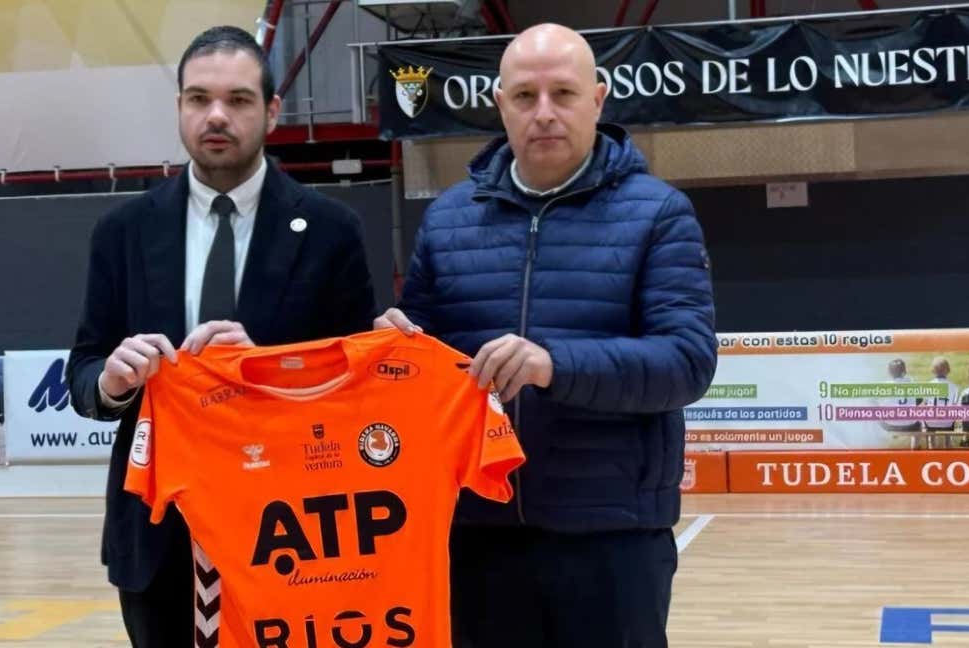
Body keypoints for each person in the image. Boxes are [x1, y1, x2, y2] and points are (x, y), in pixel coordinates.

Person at [376, 22, 717, 648]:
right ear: (500, 103)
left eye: (563, 93)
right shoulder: (448, 218)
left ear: (598, 98)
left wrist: (553, 364)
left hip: (613, 539)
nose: (544, 113)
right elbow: (419, 362)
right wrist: (391, 349)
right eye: (525, 96)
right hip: (476, 535)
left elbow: (685, 362)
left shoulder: (659, 212)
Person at [66, 25, 377, 648]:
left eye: (237, 100)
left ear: (271, 110)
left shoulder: (330, 229)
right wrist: (112, 380)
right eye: (197, 98)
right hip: (157, 533)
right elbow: (85, 372)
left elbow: (351, 388)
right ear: (179, 106)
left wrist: (265, 367)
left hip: (293, 533)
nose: (216, 115)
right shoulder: (122, 230)